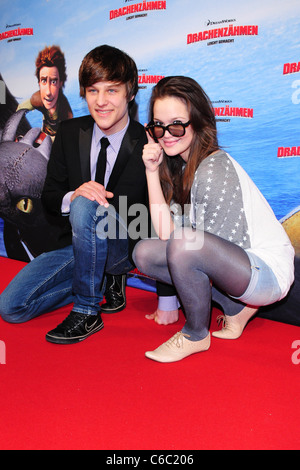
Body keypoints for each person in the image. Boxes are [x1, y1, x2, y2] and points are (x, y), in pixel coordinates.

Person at [133, 76, 295, 363]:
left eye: (176, 124)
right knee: (144, 253)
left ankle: (196, 334)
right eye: (158, 125)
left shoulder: (212, 169)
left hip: (266, 271)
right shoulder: (181, 167)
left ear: (197, 122)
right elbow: (165, 236)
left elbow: (207, 250)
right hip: (241, 269)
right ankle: (235, 309)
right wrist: (150, 171)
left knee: (185, 244)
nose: (166, 133)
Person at [0, 45, 149, 344]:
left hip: (124, 241)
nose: (102, 101)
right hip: (78, 246)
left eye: (112, 91)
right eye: (93, 91)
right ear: (84, 93)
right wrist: (73, 195)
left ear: (130, 93)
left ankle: (86, 310)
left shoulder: (147, 140)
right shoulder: (69, 132)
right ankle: (97, 280)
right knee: (11, 307)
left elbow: (150, 216)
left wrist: (89, 204)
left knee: (86, 204)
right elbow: (51, 198)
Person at [17, 45, 73, 139]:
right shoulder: (37, 99)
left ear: (60, 83)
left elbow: (66, 137)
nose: (48, 92)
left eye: (53, 82)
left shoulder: (65, 111)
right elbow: (19, 110)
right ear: (39, 82)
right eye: (43, 80)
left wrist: (43, 139)